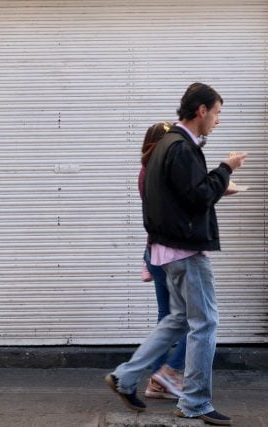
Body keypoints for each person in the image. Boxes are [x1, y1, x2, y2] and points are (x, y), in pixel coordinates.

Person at [105, 82, 247, 426]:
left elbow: (182, 195)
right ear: (201, 110)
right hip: (186, 251)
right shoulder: (181, 147)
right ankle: (195, 401)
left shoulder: (165, 146)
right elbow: (198, 196)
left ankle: (126, 377)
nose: (217, 120)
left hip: (166, 250)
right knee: (205, 324)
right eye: (216, 113)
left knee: (177, 320)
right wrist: (226, 168)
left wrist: (215, 185)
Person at [138, 121, 187, 400]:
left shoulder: (145, 172)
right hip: (170, 253)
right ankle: (167, 374)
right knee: (195, 319)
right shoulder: (159, 175)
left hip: (154, 250)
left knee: (166, 316)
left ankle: (157, 380)